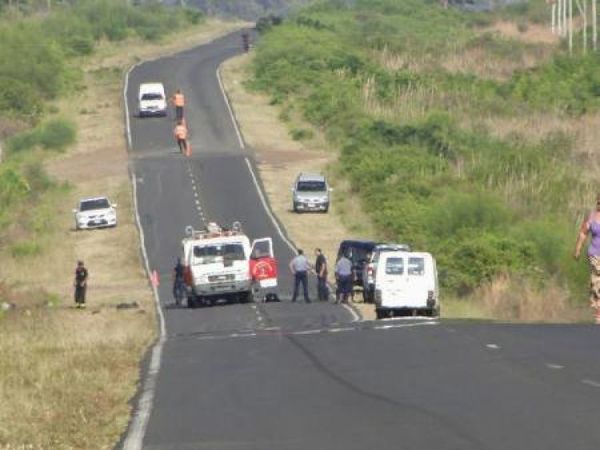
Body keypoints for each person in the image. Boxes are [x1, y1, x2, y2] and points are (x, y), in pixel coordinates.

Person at [574, 194, 600, 311]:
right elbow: (583, 233)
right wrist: (578, 249)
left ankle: (596, 307)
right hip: (595, 254)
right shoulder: (592, 217)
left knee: (596, 282)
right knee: (598, 276)